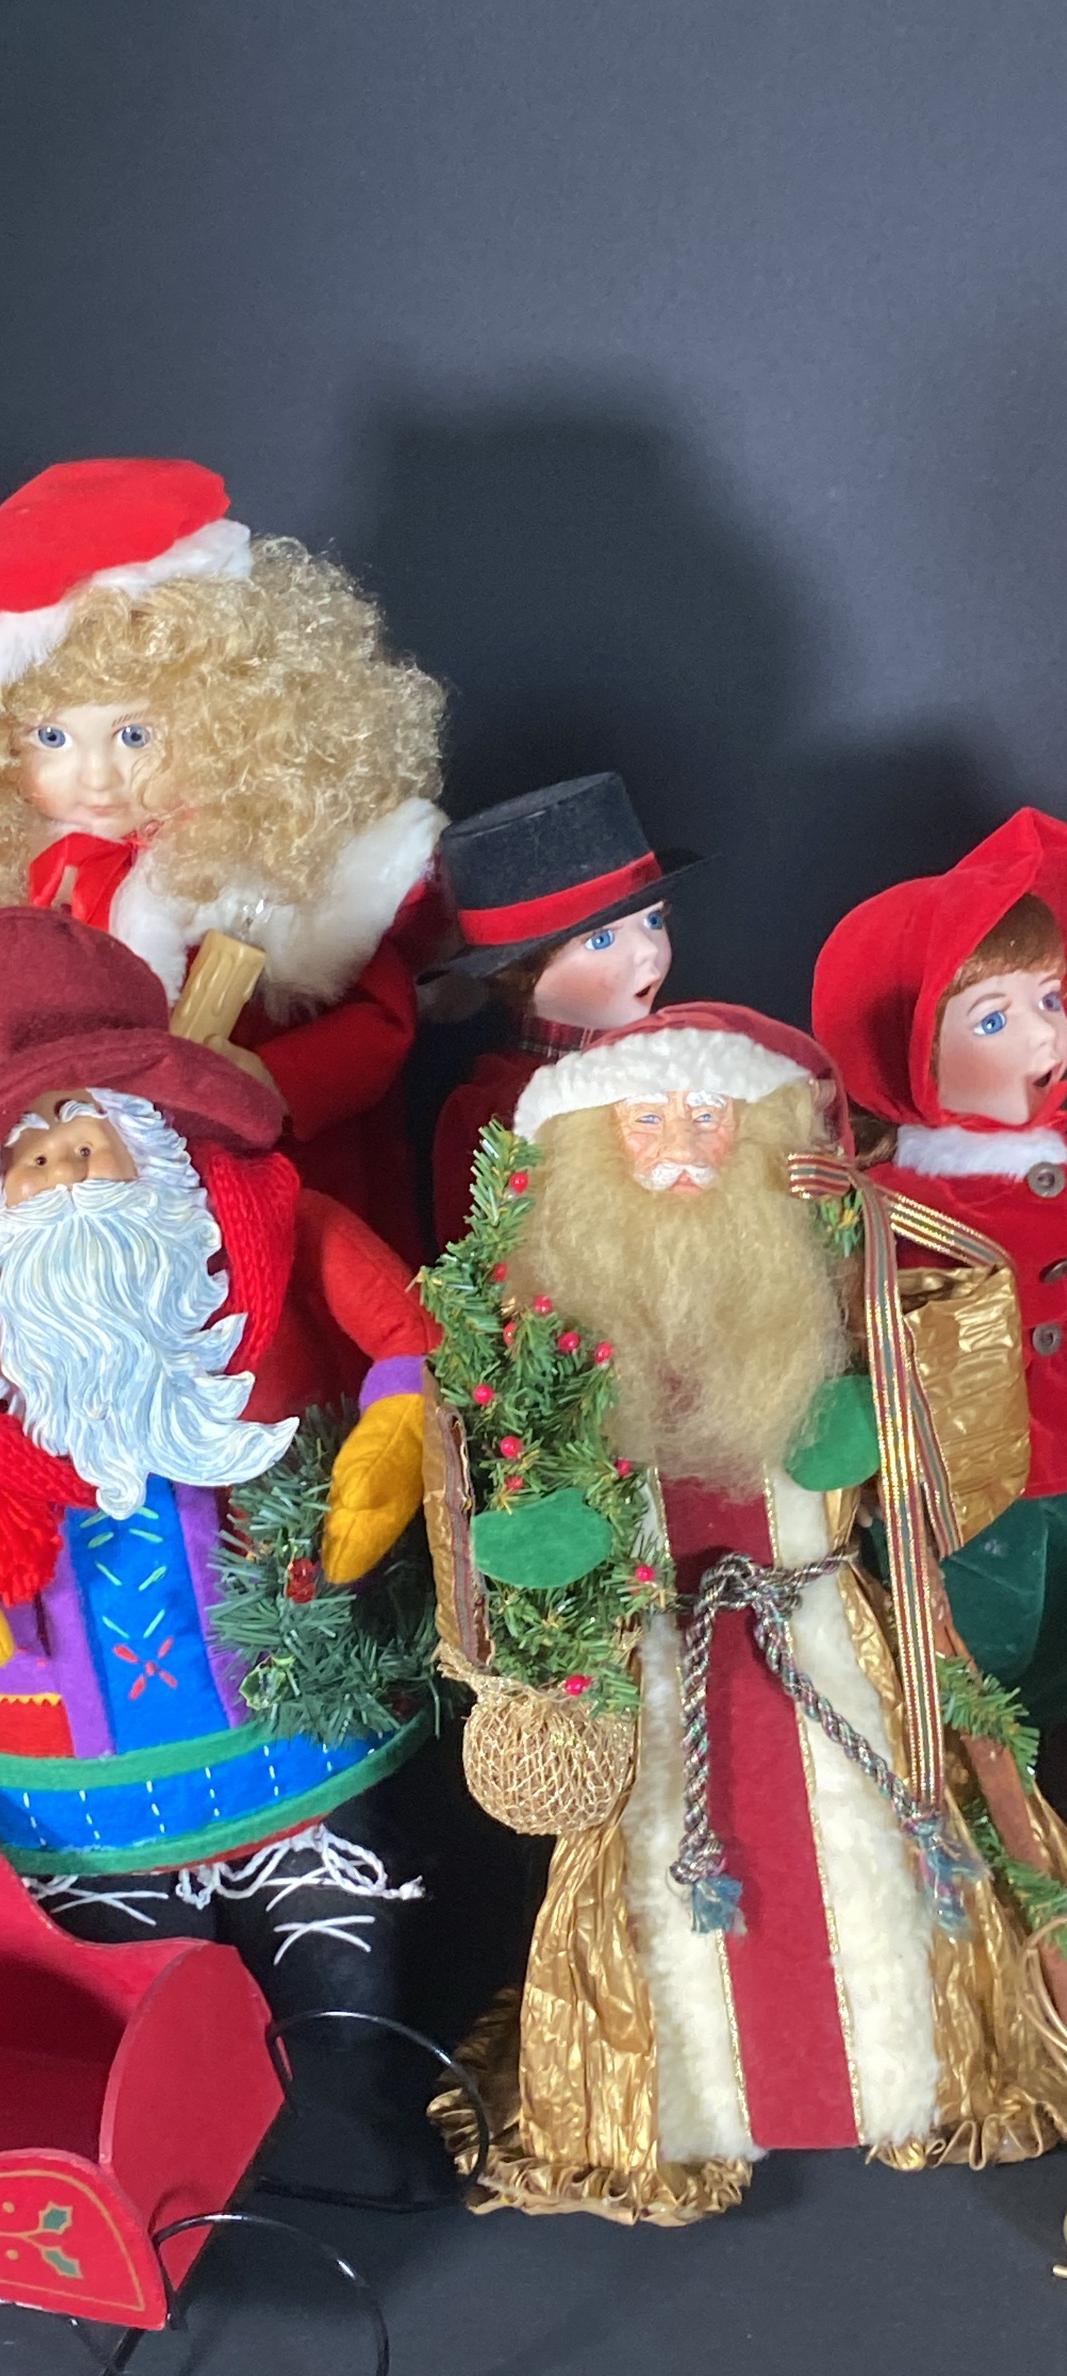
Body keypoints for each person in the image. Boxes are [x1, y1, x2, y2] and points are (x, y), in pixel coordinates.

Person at [0, 906, 444, 2020]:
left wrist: (395, 1436)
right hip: (49, 1756)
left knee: (342, 1991)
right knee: (124, 2017)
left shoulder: (261, 1221)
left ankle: (347, 2072)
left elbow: (406, 1327)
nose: (63, 1171)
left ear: (149, 1141)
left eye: (84, 1139)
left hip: (295, 1706)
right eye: (26, 1155)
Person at [423, 1003, 1067, 2221]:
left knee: (872, 1848)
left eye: (710, 1117)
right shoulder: (543, 1329)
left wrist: (875, 1408)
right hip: (645, 1664)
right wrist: (533, 1549)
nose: (681, 1146)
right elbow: (490, 1497)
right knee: (658, 1881)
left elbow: (952, 1415)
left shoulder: (822, 1282)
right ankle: (692, 2106)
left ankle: (895, 2080)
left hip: (819, 1627)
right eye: (646, 1121)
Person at [0, 455, 448, 1260]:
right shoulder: (8, 889)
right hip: (65, 1197)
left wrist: (277, 1079)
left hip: (257, 1182)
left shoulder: (264, 862)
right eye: (51, 737)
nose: (99, 776)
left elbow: (375, 1018)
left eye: (135, 734)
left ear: (224, 718)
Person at [813, 808, 1067, 1736]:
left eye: (1051, 999)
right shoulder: (884, 1206)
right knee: (985, 1688)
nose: (1043, 1036)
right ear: (907, 1049)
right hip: (969, 1504)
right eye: (993, 1017)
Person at [428, 773, 701, 1247]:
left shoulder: (689, 1058)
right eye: (601, 939)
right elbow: (481, 1264)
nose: (648, 950)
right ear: (521, 972)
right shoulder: (503, 1111)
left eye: (654, 919)